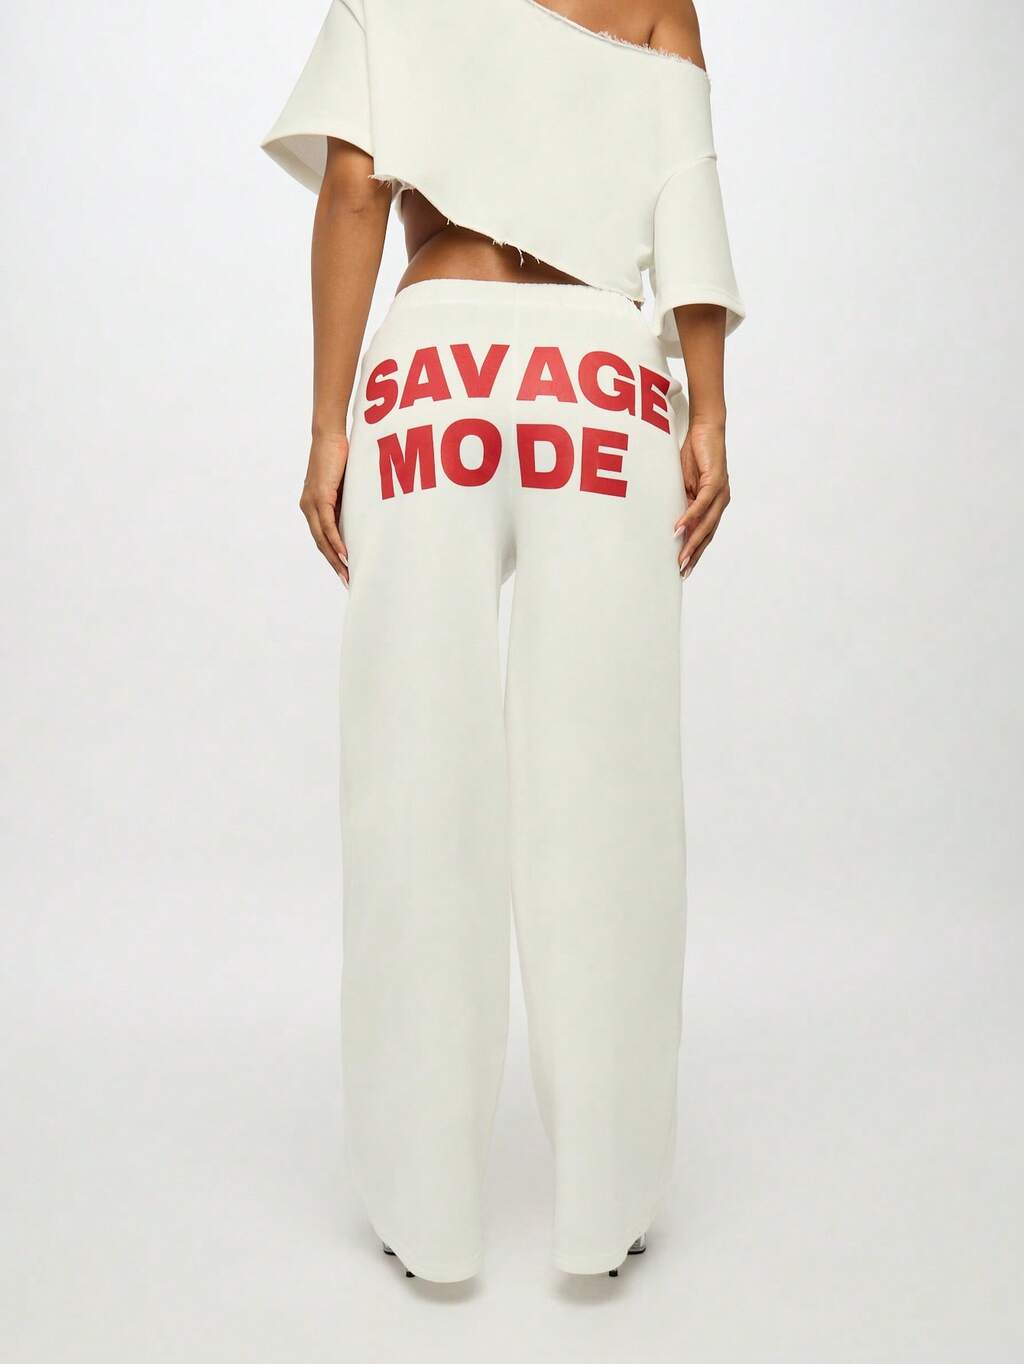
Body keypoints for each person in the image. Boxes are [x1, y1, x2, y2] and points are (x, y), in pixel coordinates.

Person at [261, 0, 745, 1282]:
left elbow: (356, 190)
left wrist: (327, 424)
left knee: (415, 781)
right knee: (608, 788)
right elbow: (685, 191)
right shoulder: (658, 1)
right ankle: (607, 1204)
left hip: (435, 365)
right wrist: (707, 407)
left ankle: (423, 1208)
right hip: (602, 377)